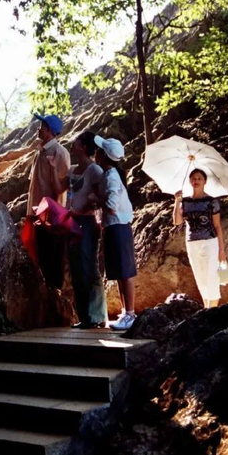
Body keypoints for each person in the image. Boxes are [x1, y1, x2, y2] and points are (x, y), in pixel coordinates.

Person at [94, 135, 137, 331]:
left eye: (99, 150)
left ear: (103, 156)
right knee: (120, 272)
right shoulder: (109, 175)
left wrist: (96, 198)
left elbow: (111, 207)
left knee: (125, 272)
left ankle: (130, 313)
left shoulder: (111, 177)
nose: (95, 153)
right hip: (114, 227)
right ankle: (125, 311)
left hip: (118, 226)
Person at [66, 131, 108, 329]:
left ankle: (97, 315)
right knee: (76, 268)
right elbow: (64, 190)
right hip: (71, 222)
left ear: (83, 147)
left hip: (88, 222)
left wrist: (88, 206)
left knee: (89, 267)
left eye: (75, 141)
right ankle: (84, 316)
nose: (72, 144)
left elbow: (102, 198)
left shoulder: (94, 170)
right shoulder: (72, 169)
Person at [27, 113, 71, 290]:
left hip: (51, 217)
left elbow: (62, 187)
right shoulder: (40, 151)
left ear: (50, 131)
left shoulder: (60, 153)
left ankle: (56, 297)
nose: (39, 129)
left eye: (42, 126)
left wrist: (55, 218)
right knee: (41, 258)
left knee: (52, 260)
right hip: (37, 213)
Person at [173, 168, 227, 309]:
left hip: (210, 241)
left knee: (212, 277)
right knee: (200, 278)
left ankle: (212, 310)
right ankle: (206, 309)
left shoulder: (211, 201)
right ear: (190, 181)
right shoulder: (185, 201)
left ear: (205, 181)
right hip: (192, 243)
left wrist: (221, 250)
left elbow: (217, 225)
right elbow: (177, 221)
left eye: (199, 178)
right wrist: (177, 202)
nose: (196, 181)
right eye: (193, 178)